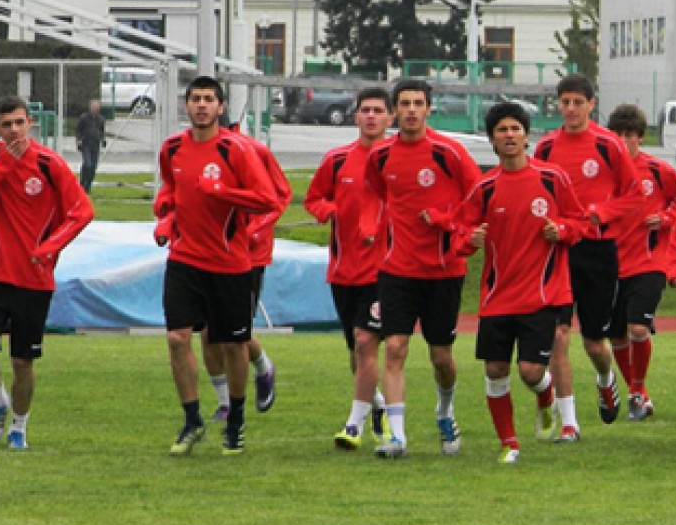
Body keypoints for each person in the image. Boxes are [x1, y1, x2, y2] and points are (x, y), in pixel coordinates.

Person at [154, 77, 280, 456]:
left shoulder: (235, 150)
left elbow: (268, 199)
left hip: (229, 263)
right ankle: (192, 420)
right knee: (178, 338)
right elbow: (171, 191)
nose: (201, 105)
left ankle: (235, 421)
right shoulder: (172, 148)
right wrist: (165, 216)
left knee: (232, 344)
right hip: (184, 260)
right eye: (195, 99)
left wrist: (224, 193)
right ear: (187, 105)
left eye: (209, 99)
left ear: (220, 107)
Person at [0, 95, 94, 450]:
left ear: (30, 123)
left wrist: (50, 247)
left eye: (20, 122)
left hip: (34, 279)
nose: (14, 130)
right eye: (7, 125)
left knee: (23, 361)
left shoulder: (49, 164)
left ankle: (19, 427)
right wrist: (5, 164)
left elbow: (82, 211)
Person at [455, 103, 587, 462]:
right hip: (497, 296)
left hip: (540, 295)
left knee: (530, 371)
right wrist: (470, 239)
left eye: (515, 128)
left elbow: (580, 223)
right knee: (495, 369)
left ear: (526, 136)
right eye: (502, 130)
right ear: (492, 140)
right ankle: (509, 443)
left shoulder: (552, 179)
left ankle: (546, 394)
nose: (509, 135)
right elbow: (460, 233)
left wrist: (562, 229)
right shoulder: (484, 188)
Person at [364, 78, 481, 458]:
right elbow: (379, 194)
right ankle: (397, 437)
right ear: (394, 111)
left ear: (429, 108)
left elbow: (478, 199)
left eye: (418, 103)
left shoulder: (449, 152)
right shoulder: (381, 156)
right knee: (395, 347)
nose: (411, 110)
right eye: (404, 104)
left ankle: (445, 412)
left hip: (443, 271)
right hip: (397, 269)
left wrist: (447, 221)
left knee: (441, 356)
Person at [533, 75, 642, 440]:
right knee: (558, 335)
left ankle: (605, 378)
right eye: (565, 102)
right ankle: (569, 423)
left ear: (591, 105)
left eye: (578, 102)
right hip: (560, 249)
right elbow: (535, 190)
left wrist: (601, 212)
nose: (571, 109)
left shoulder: (608, 145)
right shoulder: (547, 147)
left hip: (598, 251)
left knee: (595, 342)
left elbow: (635, 195)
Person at [305, 87, 394, 449]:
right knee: (357, 353)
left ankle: (353, 426)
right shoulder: (337, 159)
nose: (371, 116)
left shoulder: (397, 161)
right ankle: (378, 405)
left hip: (384, 271)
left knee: (366, 341)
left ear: (389, 118)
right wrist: (330, 212)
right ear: (355, 116)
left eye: (378, 110)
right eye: (365, 110)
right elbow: (314, 198)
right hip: (344, 270)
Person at [199, 122, 290, 422]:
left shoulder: (254, 151)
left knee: (233, 332)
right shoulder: (194, 151)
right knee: (207, 331)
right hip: (210, 252)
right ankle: (224, 403)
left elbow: (280, 197)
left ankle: (263, 367)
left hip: (248, 256)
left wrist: (254, 231)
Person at [605, 104, 676, 422]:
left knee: (638, 328)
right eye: (618, 135)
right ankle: (638, 393)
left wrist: (667, 218)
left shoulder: (657, 170)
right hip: (611, 264)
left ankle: (637, 390)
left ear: (640, 137)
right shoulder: (603, 173)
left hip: (649, 261)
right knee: (617, 337)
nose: (624, 141)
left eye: (630, 135)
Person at [76, 98, 106, 193]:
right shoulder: (84, 118)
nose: (95, 109)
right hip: (86, 144)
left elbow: (102, 131)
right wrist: (79, 140)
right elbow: (78, 130)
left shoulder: (101, 119)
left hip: (95, 145)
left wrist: (103, 140)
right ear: (90, 107)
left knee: (93, 167)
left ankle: (88, 186)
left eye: (97, 107)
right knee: (88, 164)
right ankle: (82, 183)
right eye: (94, 107)